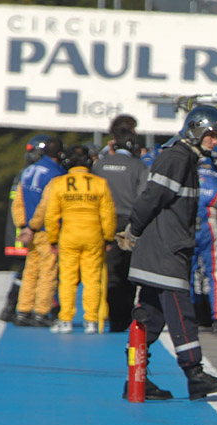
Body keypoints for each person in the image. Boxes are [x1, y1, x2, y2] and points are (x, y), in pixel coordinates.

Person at [115, 105, 217, 401]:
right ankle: (195, 374)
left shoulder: (183, 159)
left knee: (151, 317)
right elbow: (151, 197)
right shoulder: (177, 158)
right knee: (182, 313)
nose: (215, 141)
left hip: (162, 248)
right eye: (212, 134)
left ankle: (135, 379)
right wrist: (133, 231)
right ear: (195, 130)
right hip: (167, 250)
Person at [43, 145, 117, 334]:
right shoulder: (99, 183)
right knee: (92, 279)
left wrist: (52, 239)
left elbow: (51, 215)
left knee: (67, 278)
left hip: (69, 235)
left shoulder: (59, 183)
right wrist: (108, 237)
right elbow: (108, 214)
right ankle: (91, 320)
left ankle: (66, 319)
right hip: (93, 235)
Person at [93, 127, 148, 332]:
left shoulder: (100, 165)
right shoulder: (139, 166)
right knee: (128, 272)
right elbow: (143, 197)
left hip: (100, 221)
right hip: (128, 222)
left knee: (106, 271)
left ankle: (106, 315)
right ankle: (125, 316)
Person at [12, 136, 66, 327]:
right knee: (48, 272)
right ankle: (41, 312)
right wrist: (35, 226)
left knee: (30, 271)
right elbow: (48, 206)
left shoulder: (27, 172)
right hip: (47, 229)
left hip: (29, 230)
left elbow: (18, 202)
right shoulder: (56, 174)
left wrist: (23, 226)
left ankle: (23, 310)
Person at [192, 154, 217, 334]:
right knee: (216, 273)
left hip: (187, 225)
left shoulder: (189, 173)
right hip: (210, 225)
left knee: (185, 273)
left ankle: (188, 313)